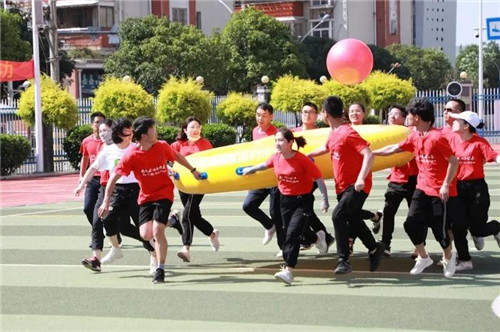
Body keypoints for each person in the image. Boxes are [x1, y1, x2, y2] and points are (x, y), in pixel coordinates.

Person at [98, 117, 202, 283]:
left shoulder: (161, 146)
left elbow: (176, 156)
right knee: (145, 234)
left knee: (157, 232)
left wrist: (193, 170)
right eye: (153, 130)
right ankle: (172, 220)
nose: (157, 132)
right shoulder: (131, 155)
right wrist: (106, 200)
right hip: (146, 197)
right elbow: (112, 178)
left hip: (164, 194)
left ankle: (160, 269)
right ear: (144, 136)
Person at [373, 97, 458, 278]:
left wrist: (445, 185)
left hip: (438, 191)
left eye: (409, 114)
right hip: (421, 187)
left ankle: (449, 257)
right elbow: (395, 148)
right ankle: (423, 257)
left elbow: (453, 161)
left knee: (439, 230)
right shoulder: (414, 135)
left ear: (417, 117)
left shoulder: (437, 137)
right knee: (410, 224)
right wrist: (371, 152)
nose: (407, 117)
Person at [75, 118, 164, 274]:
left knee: (141, 227)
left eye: (131, 131)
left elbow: (154, 161)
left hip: (136, 191)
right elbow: (93, 167)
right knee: (106, 218)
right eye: (126, 131)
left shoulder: (137, 148)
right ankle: (116, 248)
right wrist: (81, 184)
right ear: (118, 133)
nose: (130, 134)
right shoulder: (108, 150)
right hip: (116, 190)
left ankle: (153, 256)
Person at [308, 96, 385, 274]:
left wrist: (360, 178)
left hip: (357, 185)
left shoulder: (347, 132)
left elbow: (369, 154)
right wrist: (305, 156)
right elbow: (325, 148)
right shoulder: (333, 133)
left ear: (325, 113)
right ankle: (374, 249)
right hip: (342, 186)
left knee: (338, 216)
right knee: (353, 218)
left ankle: (343, 260)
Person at [243, 127, 329, 285]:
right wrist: (251, 169)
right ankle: (318, 237)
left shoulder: (302, 160)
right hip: (285, 201)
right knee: (291, 231)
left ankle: (289, 270)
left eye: (281, 140)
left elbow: (319, 178)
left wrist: (324, 199)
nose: (277, 143)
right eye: (275, 140)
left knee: (292, 234)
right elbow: (264, 164)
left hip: (303, 201)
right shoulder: (276, 158)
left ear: (290, 142)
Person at [448, 111, 500, 271]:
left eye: (458, 121)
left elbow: (494, 156)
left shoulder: (479, 142)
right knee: (458, 226)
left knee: (476, 228)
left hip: (476, 188)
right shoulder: (451, 140)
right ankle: (465, 261)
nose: (453, 122)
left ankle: (496, 227)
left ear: (466, 126)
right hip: (457, 188)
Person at [171, 117, 220, 263]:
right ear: (185, 130)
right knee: (194, 215)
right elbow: (167, 158)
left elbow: (214, 161)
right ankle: (212, 234)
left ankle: (186, 248)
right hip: (182, 183)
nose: (195, 129)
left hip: (199, 183)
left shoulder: (205, 144)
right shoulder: (177, 145)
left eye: (197, 126)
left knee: (187, 214)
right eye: (192, 127)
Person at [242, 103, 284, 255]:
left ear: (271, 117)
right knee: (248, 205)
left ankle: (283, 248)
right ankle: (269, 226)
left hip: (274, 178)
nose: (260, 118)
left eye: (264, 116)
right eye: (258, 115)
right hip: (260, 176)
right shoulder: (255, 131)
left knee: (276, 212)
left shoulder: (277, 133)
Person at [292, 102, 334, 252]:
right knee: (303, 208)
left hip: (313, 176)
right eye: (304, 111)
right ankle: (319, 237)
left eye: (310, 112)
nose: (307, 114)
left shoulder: (323, 133)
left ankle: (311, 237)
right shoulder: (294, 133)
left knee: (300, 206)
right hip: (296, 177)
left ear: (317, 116)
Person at [73, 119, 113, 272]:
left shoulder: (125, 147)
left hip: (124, 189)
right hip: (102, 184)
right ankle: (96, 258)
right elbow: (91, 165)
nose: (102, 132)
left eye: (105, 130)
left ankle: (153, 248)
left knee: (127, 225)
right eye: (100, 128)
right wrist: (81, 182)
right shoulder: (97, 146)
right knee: (96, 217)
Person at [379, 105, 418, 256]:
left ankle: (419, 246)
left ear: (403, 118)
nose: (392, 116)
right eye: (390, 114)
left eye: (396, 114)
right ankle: (385, 245)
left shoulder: (411, 132)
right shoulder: (385, 133)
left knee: (415, 216)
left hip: (414, 179)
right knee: (389, 213)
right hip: (396, 180)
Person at [346, 102, 383, 254]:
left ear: (364, 113)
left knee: (350, 211)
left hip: (362, 176)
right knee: (351, 211)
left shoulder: (370, 131)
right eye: (351, 111)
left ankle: (350, 242)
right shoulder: (344, 130)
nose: (354, 114)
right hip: (345, 177)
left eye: (358, 111)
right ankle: (375, 216)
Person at [78, 111, 105, 228]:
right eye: (97, 122)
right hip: (92, 179)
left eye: (102, 122)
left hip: (105, 179)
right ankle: (98, 232)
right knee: (88, 208)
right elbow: (85, 157)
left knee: (101, 210)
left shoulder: (109, 142)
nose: (99, 125)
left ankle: (101, 236)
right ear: (92, 125)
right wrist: (81, 175)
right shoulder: (86, 141)